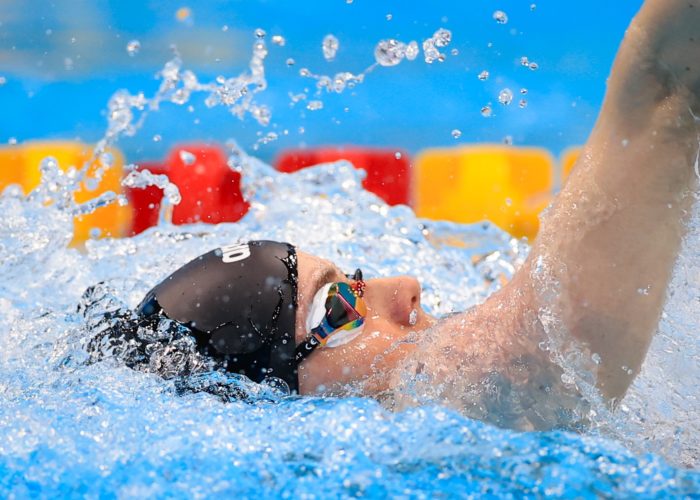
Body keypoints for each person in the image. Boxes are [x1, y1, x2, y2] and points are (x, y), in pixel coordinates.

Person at [83, 0, 699, 428]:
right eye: (336, 309)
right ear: (264, 397)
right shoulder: (471, 416)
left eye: (352, 284)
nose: (406, 288)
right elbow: (664, 91)